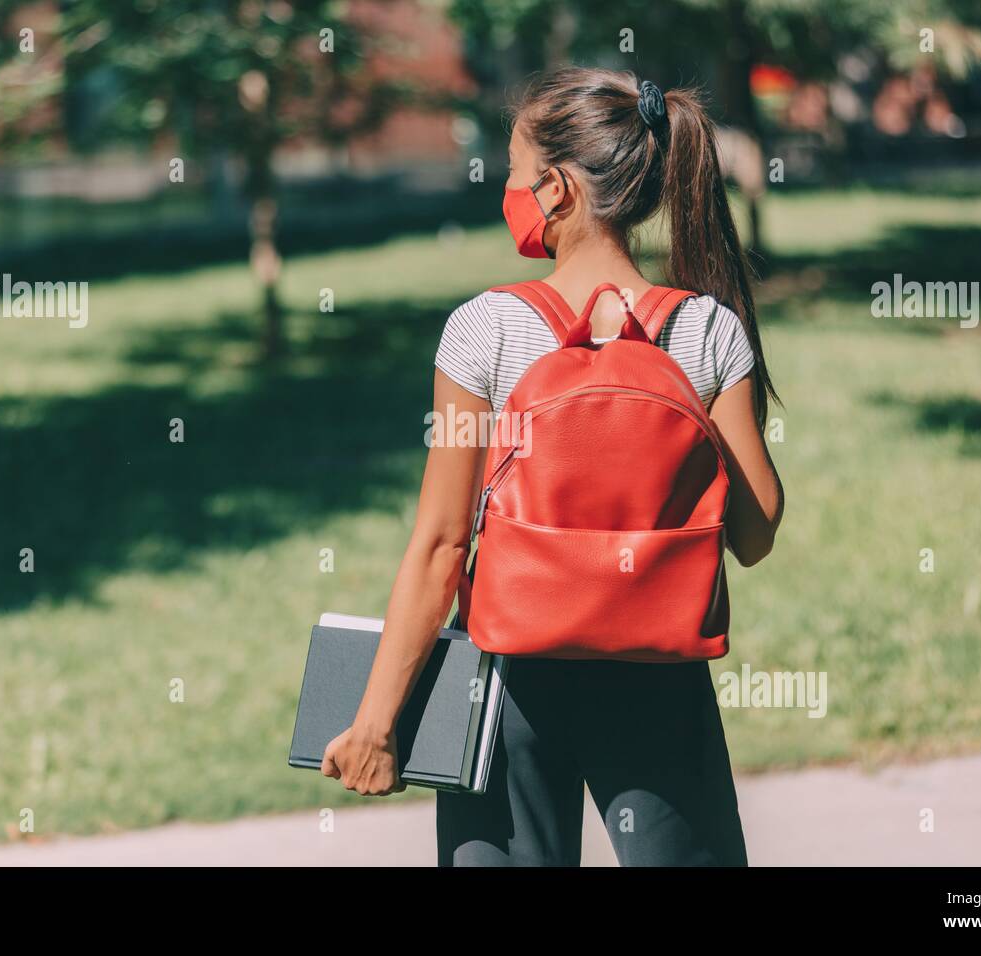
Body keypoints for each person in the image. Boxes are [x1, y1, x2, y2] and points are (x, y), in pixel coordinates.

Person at [321, 68, 785, 866]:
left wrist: (376, 722)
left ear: (559, 188)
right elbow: (754, 533)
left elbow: (441, 548)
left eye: (512, 172)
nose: (507, 189)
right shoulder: (706, 329)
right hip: (659, 677)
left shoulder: (485, 329)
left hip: (508, 686)